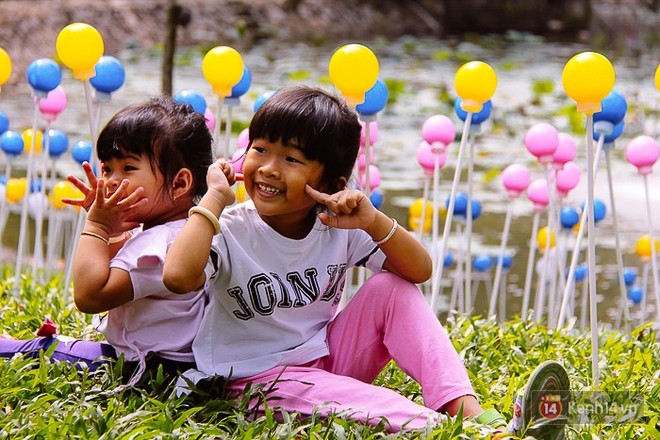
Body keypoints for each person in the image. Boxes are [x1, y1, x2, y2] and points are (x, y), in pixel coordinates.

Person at [162, 86, 569, 436]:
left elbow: (419, 272)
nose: (267, 168)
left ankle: (470, 412)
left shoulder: (336, 225)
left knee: (391, 287)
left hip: (323, 360)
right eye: (260, 150)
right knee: (375, 404)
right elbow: (178, 277)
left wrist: (373, 220)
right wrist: (213, 198)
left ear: (331, 184)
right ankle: (480, 436)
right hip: (252, 381)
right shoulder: (230, 228)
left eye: (291, 159)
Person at [0, 96, 215, 387]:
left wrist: (98, 226)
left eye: (128, 168)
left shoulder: (160, 246)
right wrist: (113, 230)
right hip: (166, 365)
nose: (111, 182)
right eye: (107, 169)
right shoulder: (182, 232)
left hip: (146, 369)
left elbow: (91, 296)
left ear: (179, 183)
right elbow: (117, 269)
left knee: (44, 349)